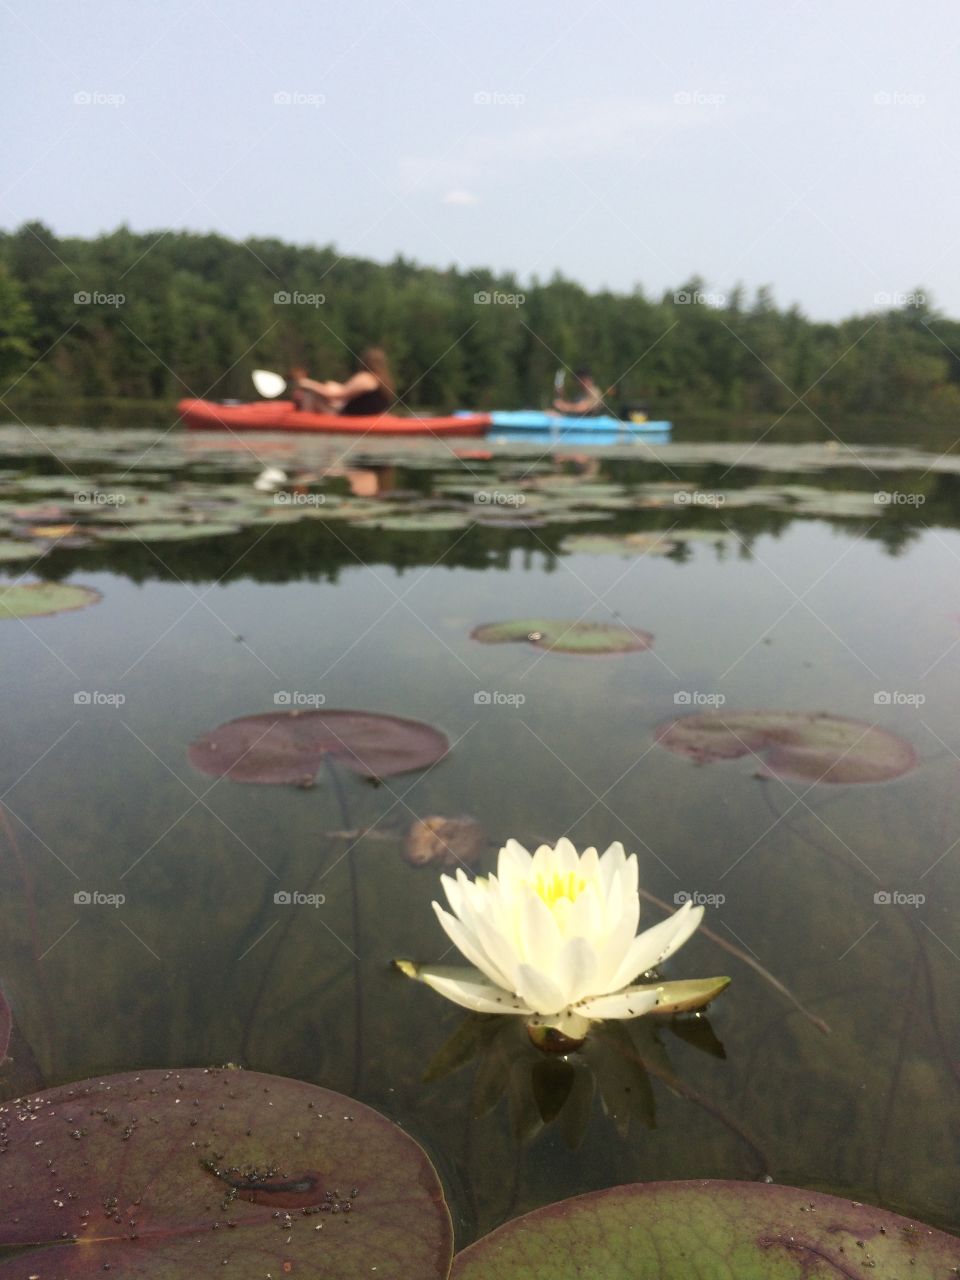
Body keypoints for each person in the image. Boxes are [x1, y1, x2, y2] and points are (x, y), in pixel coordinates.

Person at [293, 347, 396, 415]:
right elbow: (345, 392)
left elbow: (335, 396)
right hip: (367, 414)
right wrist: (332, 386)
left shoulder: (365, 377)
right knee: (330, 387)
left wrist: (307, 383)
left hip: (349, 416)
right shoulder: (382, 380)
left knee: (309, 394)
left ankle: (302, 418)